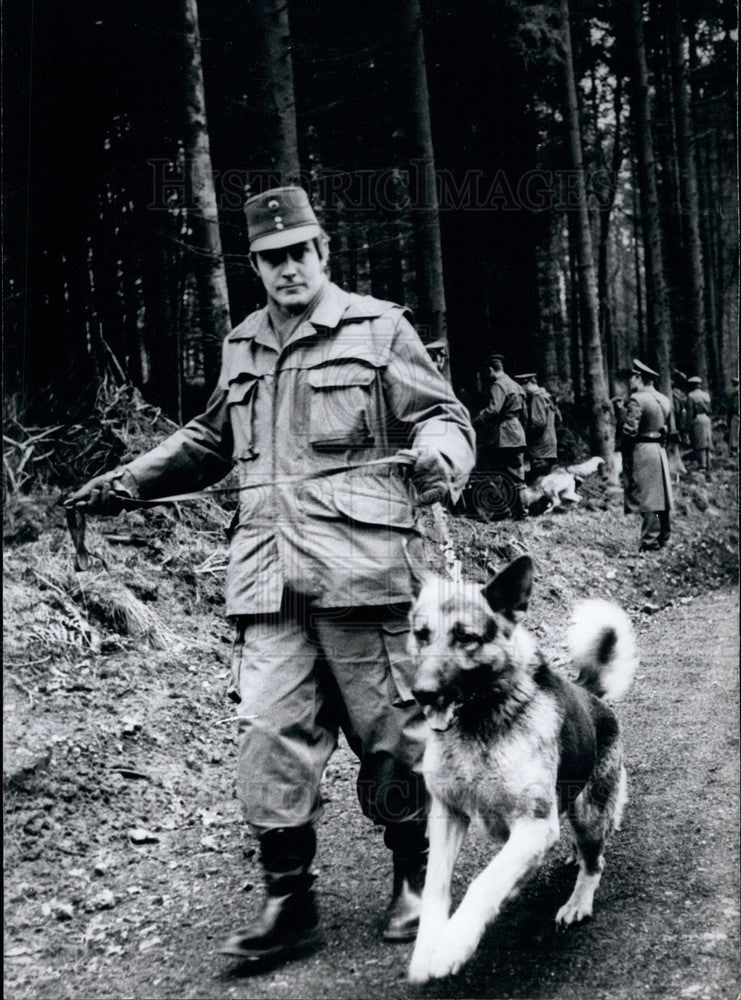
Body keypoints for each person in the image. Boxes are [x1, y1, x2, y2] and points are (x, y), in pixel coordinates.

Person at [68, 186, 476, 964]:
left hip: (363, 571)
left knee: (393, 735)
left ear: (322, 252)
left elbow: (442, 418)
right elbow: (209, 438)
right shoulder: (243, 343)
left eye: (298, 253)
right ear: (254, 265)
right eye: (270, 258)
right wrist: (125, 483)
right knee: (268, 734)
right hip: (267, 580)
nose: (287, 268)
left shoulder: (378, 327)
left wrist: (439, 457)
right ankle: (290, 902)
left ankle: (416, 878)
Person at [621, 360, 673, 552]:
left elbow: (630, 430)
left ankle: (649, 541)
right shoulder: (663, 399)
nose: (630, 381)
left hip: (642, 449)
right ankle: (663, 535)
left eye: (632, 377)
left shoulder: (637, 399)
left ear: (639, 378)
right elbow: (666, 427)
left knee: (648, 496)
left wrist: (625, 451)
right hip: (659, 449)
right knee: (661, 495)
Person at [473, 353, 527, 518]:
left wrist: (476, 420)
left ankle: (500, 510)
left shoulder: (498, 385)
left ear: (490, 370)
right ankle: (521, 511)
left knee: (490, 470)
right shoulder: (517, 386)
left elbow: (494, 410)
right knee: (516, 474)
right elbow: (525, 415)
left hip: (504, 435)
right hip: (517, 432)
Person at [514, 372, 560, 481]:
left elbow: (538, 423)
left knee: (538, 482)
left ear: (528, 384)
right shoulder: (547, 396)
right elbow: (558, 419)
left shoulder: (536, 397)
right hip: (550, 446)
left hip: (539, 449)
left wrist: (525, 438)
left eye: (522, 386)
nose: (522, 389)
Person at [686, 375, 713, 473]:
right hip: (706, 418)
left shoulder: (691, 396)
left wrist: (688, 425)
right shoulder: (706, 395)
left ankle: (702, 465)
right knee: (707, 440)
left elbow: (690, 412)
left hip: (697, 418)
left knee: (699, 442)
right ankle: (709, 464)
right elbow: (709, 409)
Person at [727, 376, 739, 457]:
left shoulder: (732, 393)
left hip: (735, 415)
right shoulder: (733, 393)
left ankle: (734, 451)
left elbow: (730, 407)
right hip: (736, 415)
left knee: (734, 435)